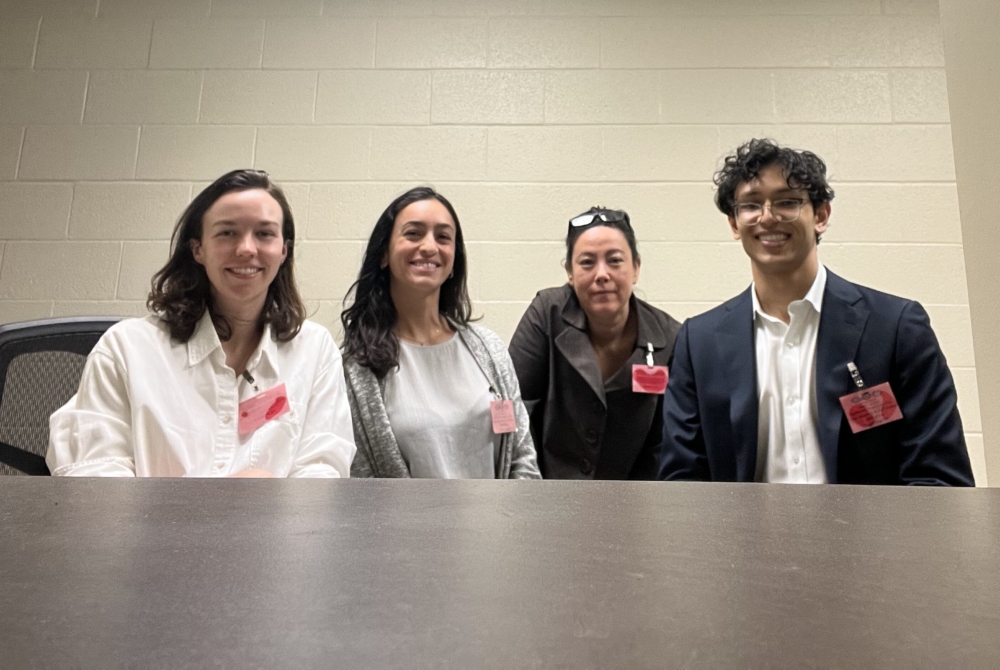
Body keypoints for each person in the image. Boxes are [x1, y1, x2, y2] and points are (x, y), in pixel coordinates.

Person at [659, 139, 974, 486]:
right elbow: (682, 482)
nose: (767, 217)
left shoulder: (896, 328)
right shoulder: (698, 342)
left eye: (787, 202)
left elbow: (940, 478)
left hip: (870, 539)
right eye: (750, 205)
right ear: (735, 224)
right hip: (745, 540)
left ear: (821, 215)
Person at [47, 169, 356, 477]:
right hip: (150, 526)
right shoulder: (126, 348)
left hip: (274, 527)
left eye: (264, 233)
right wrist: (207, 509)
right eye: (227, 232)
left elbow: (323, 470)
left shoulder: (315, 350)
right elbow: (92, 475)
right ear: (198, 249)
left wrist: (271, 506)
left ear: (283, 250)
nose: (247, 248)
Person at [340, 186, 540, 479]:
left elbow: (523, 457)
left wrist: (509, 523)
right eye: (413, 233)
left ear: (453, 261)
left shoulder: (490, 350)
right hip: (405, 526)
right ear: (384, 253)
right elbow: (361, 482)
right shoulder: (357, 368)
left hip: (500, 524)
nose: (430, 246)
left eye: (443, 237)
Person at [509, 207, 680, 479]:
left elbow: (666, 445)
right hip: (545, 498)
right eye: (587, 262)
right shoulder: (546, 314)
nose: (602, 274)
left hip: (634, 504)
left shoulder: (670, 337)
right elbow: (516, 411)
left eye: (614, 261)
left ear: (635, 268)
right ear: (570, 272)